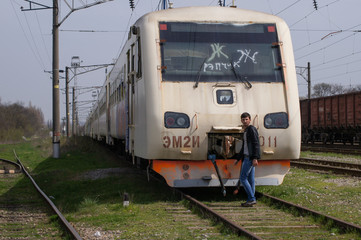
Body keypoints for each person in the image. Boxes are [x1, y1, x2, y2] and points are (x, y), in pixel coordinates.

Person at [233, 112, 260, 207]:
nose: (245, 121)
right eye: (243, 119)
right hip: (247, 157)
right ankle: (250, 199)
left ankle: (252, 199)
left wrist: (255, 158)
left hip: (250, 158)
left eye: (246, 119)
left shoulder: (251, 129)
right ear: (241, 120)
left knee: (243, 178)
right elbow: (244, 146)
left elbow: (256, 144)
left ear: (250, 120)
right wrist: (238, 158)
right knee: (251, 179)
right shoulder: (246, 131)